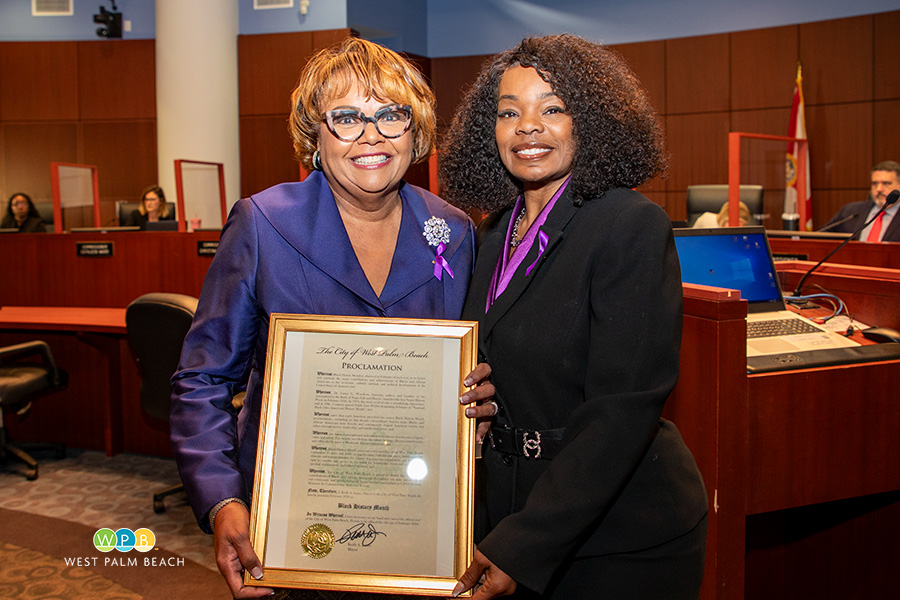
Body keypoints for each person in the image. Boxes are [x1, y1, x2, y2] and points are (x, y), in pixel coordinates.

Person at [170, 38, 476, 599]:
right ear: (315, 135)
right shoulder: (262, 222)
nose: (372, 136)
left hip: (419, 514)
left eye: (391, 115)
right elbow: (204, 378)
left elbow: (474, 359)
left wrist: (480, 392)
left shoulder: (454, 230)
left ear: (416, 130)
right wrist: (222, 500)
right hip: (292, 519)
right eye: (346, 118)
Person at [441, 34, 708, 599]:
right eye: (508, 112)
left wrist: (524, 541)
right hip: (512, 510)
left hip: (617, 536)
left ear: (590, 121)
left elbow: (622, 410)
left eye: (552, 109)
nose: (527, 127)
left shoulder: (630, 224)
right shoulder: (490, 233)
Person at [821, 160, 900, 242]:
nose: (879, 189)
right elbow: (822, 236)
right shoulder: (851, 211)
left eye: (886, 183)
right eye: (875, 183)